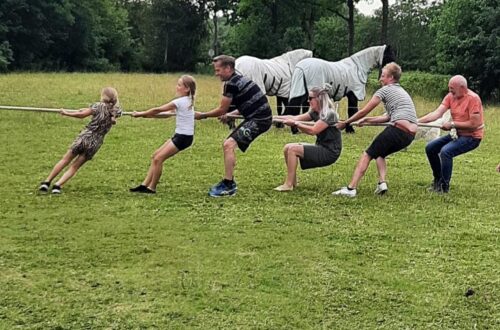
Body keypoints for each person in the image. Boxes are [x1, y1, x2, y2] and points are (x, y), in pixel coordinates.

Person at [333, 62, 417, 197]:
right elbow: (388, 117)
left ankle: (351, 188)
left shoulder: (384, 90)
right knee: (380, 153)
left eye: (383, 76)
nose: (380, 79)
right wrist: (367, 120)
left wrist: (346, 122)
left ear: (391, 77)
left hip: (398, 130)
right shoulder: (401, 91)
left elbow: (365, 110)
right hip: (409, 135)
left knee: (367, 154)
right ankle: (382, 183)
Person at [195, 55, 272, 197]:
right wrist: (230, 115)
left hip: (260, 119)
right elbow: (246, 104)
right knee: (229, 145)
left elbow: (221, 110)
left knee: (228, 145)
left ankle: (228, 185)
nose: (216, 73)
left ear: (228, 68)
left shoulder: (231, 83)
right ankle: (228, 182)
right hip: (257, 117)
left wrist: (202, 115)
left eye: (218, 70)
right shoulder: (239, 79)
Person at [38, 87, 122, 194]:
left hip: (85, 137)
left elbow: (82, 115)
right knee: (75, 166)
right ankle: (57, 185)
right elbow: (108, 113)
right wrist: (84, 109)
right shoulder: (117, 111)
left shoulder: (98, 106)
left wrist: (66, 113)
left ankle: (46, 182)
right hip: (96, 142)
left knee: (65, 160)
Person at [130, 75, 197, 194]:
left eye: (179, 85)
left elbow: (158, 110)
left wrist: (140, 114)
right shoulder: (187, 101)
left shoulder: (180, 101)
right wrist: (146, 116)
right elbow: (166, 114)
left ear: (187, 89)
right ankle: (144, 185)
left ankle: (152, 188)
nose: (177, 87)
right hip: (181, 136)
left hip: (183, 137)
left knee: (158, 158)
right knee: (155, 156)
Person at [418, 75, 484, 193]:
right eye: (449, 88)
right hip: (457, 134)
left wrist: (452, 124)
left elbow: (474, 124)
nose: (450, 91)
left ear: (462, 88)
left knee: (446, 152)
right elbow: (437, 113)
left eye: (452, 88)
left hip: (472, 137)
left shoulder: (473, 99)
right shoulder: (450, 96)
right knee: (430, 148)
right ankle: (438, 180)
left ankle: (444, 187)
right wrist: (417, 122)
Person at [273, 85, 342, 191]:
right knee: (287, 147)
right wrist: (272, 117)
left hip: (330, 151)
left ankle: (288, 185)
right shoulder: (314, 112)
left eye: (310, 98)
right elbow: (294, 118)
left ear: (319, 99)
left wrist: (296, 124)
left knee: (293, 149)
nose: (307, 101)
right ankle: (292, 182)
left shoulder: (329, 114)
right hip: (321, 146)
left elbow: (313, 130)